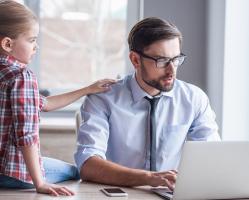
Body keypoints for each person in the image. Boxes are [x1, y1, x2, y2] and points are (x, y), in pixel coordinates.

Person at [74, 17, 220, 190]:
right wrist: (149, 178)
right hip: (121, 193)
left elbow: (213, 158)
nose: (171, 70)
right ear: (135, 60)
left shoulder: (194, 98)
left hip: (172, 194)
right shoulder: (102, 98)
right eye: (162, 61)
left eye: (176, 59)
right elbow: (88, 165)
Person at [0, 0, 115, 196]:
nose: (36, 47)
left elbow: (45, 103)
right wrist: (40, 183)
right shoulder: (22, 76)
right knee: (78, 170)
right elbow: (26, 136)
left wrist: (88, 89)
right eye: (31, 40)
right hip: (12, 173)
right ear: (7, 44)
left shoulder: (7, 74)